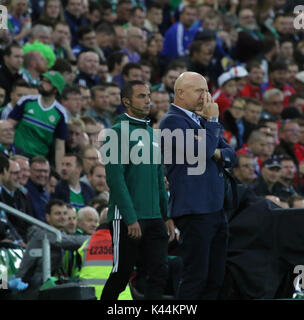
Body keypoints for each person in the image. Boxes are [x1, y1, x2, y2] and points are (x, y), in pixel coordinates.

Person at [159, 71, 236, 300]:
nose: (205, 96)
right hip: (194, 210)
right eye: (199, 90)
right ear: (180, 93)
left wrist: (213, 150)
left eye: (206, 90)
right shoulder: (172, 121)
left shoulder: (199, 121)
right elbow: (200, 154)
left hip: (215, 208)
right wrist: (212, 123)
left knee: (216, 278)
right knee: (196, 277)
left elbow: (232, 155)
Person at [100, 80, 174, 300]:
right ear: (126, 101)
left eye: (148, 95)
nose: (147, 100)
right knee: (122, 273)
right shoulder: (115, 133)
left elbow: (159, 179)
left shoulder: (152, 134)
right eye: (141, 96)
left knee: (160, 271)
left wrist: (166, 215)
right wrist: (131, 219)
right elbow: (115, 180)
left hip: (154, 217)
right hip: (126, 218)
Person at [16, 199, 89, 289]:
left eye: (65, 213)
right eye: (58, 214)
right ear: (48, 217)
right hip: (31, 284)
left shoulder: (62, 234)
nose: (63, 217)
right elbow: (68, 241)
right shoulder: (41, 233)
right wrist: (97, 238)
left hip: (50, 283)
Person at [8, 71, 67, 173]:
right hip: (16, 153)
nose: (42, 83)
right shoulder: (26, 101)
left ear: (56, 89)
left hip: (38, 160)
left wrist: (58, 173)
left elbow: (59, 147)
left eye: (48, 82)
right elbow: (9, 125)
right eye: (42, 80)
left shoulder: (60, 113)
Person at [25, 156, 50, 222]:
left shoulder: (46, 193)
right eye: (38, 171)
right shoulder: (24, 191)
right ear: (29, 171)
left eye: (45, 171)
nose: (42, 174)